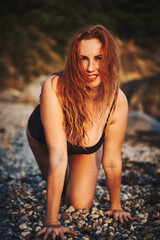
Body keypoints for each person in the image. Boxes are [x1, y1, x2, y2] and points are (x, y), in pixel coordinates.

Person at [27, 24, 133, 240]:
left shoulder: (117, 100)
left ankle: (95, 149)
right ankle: (74, 170)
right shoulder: (55, 86)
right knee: (59, 175)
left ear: (110, 59)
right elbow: (57, 158)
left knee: (80, 204)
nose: (90, 67)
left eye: (99, 58)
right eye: (83, 58)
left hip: (83, 147)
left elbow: (112, 161)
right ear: (74, 60)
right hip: (45, 143)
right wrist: (51, 222)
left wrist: (116, 205)